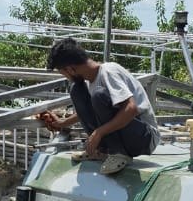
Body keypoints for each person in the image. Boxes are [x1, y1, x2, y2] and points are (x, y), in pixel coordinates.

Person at [40, 38, 159, 175]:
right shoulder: (90, 81)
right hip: (128, 134)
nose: (67, 77)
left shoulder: (108, 71)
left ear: (70, 69)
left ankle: (119, 154)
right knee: (77, 91)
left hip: (144, 137)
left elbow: (131, 109)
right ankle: (100, 151)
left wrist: (99, 132)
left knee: (98, 95)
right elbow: (91, 111)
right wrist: (62, 123)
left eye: (64, 73)